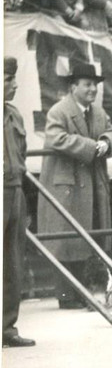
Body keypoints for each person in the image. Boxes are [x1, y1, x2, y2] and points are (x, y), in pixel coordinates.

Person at [38, 62, 112, 308]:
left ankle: (85, 292)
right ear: (73, 86)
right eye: (87, 85)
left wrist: (107, 142)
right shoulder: (59, 111)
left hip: (93, 185)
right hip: (66, 187)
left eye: (95, 85)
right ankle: (67, 296)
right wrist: (92, 146)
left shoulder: (97, 113)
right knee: (66, 241)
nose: (93, 90)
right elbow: (56, 138)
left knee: (89, 237)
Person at [3, 58, 33, 347]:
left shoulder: (14, 116)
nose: (14, 84)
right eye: (7, 79)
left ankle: (7, 327)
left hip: (14, 192)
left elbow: (21, 155)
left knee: (12, 262)